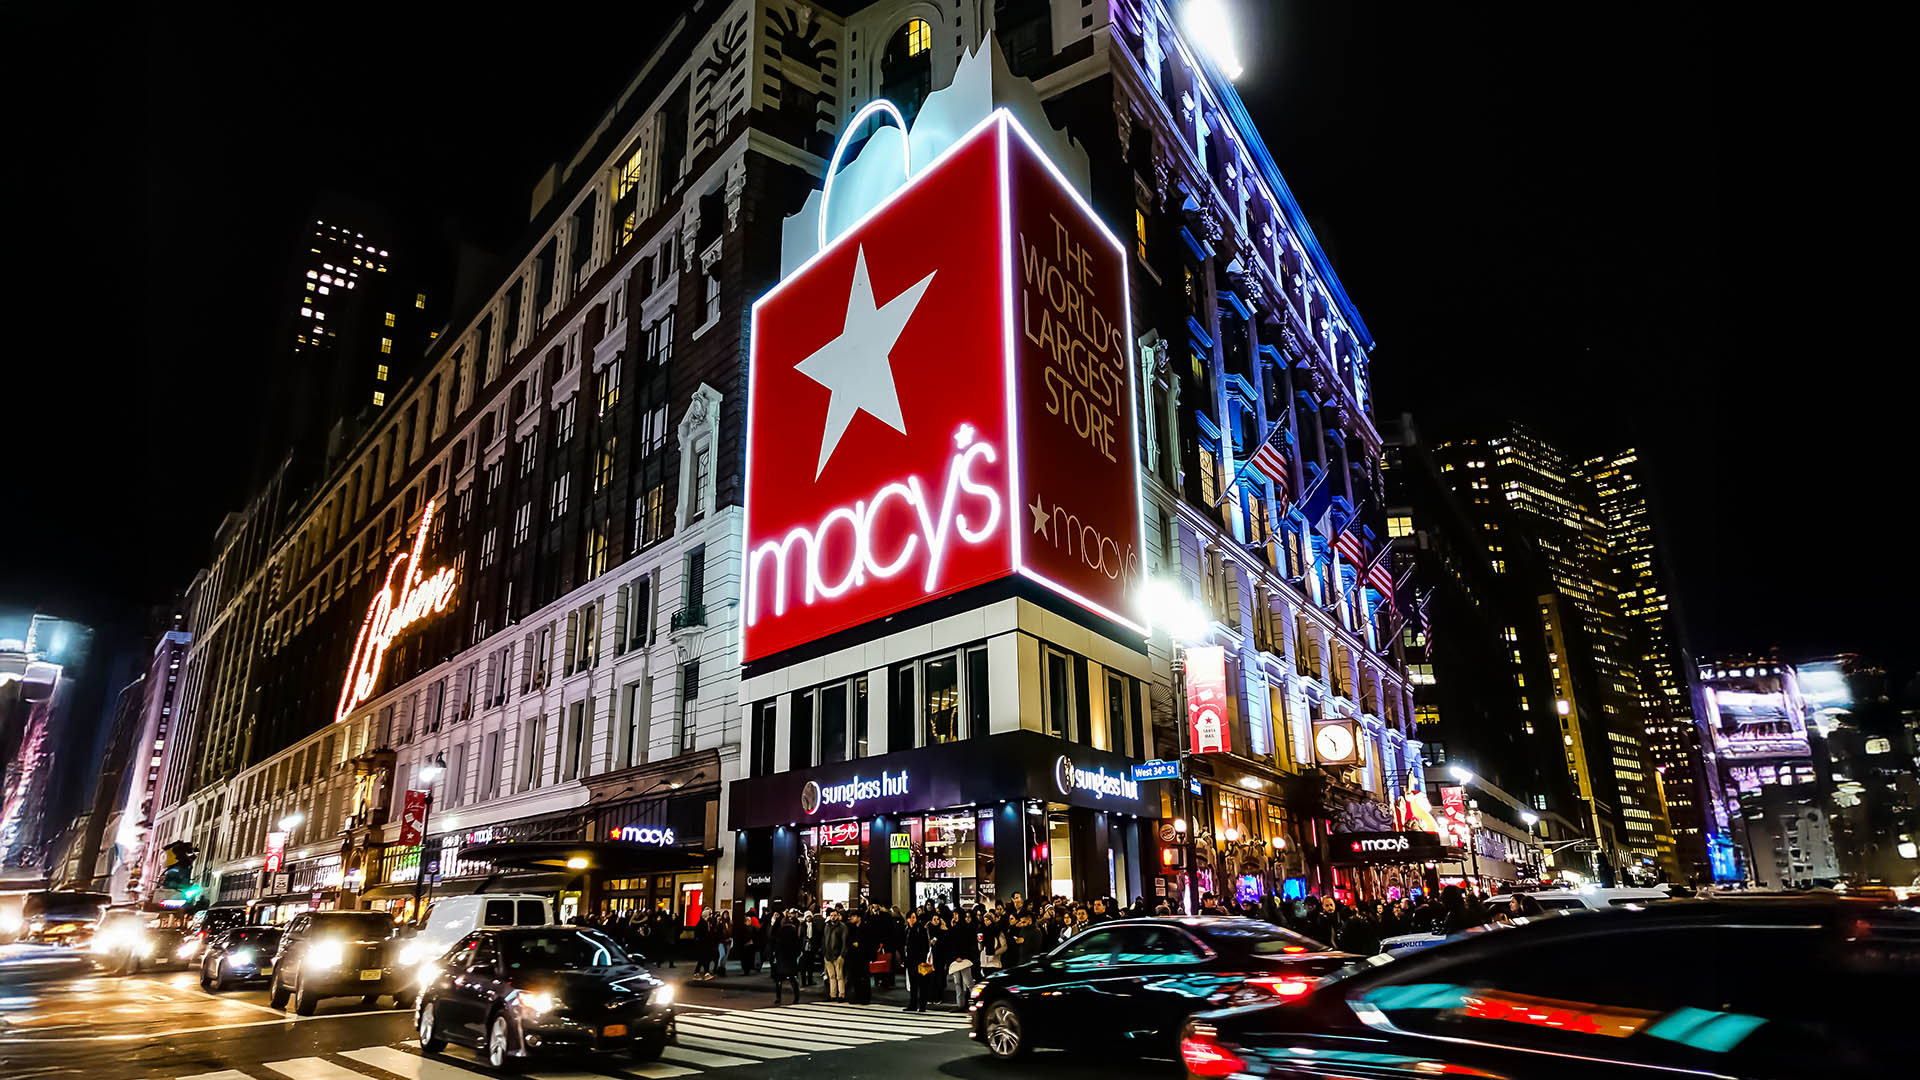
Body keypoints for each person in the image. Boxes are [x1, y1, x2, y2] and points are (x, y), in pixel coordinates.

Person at [904, 911, 936, 1012]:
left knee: (922, 983)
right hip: (910, 959)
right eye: (911, 917)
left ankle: (922, 1005)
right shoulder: (907, 929)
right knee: (913, 983)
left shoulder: (920, 928)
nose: (913, 919)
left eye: (914, 917)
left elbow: (925, 945)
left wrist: (922, 958)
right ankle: (913, 1004)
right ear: (908, 919)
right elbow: (904, 944)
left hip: (919, 960)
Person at [770, 912, 802, 1004]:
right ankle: (796, 997)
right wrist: (796, 954)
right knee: (792, 978)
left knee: (779, 979)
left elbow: (776, 943)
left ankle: (778, 998)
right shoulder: (794, 931)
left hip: (782, 957)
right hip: (791, 957)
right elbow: (798, 944)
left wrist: (775, 954)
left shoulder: (780, 931)